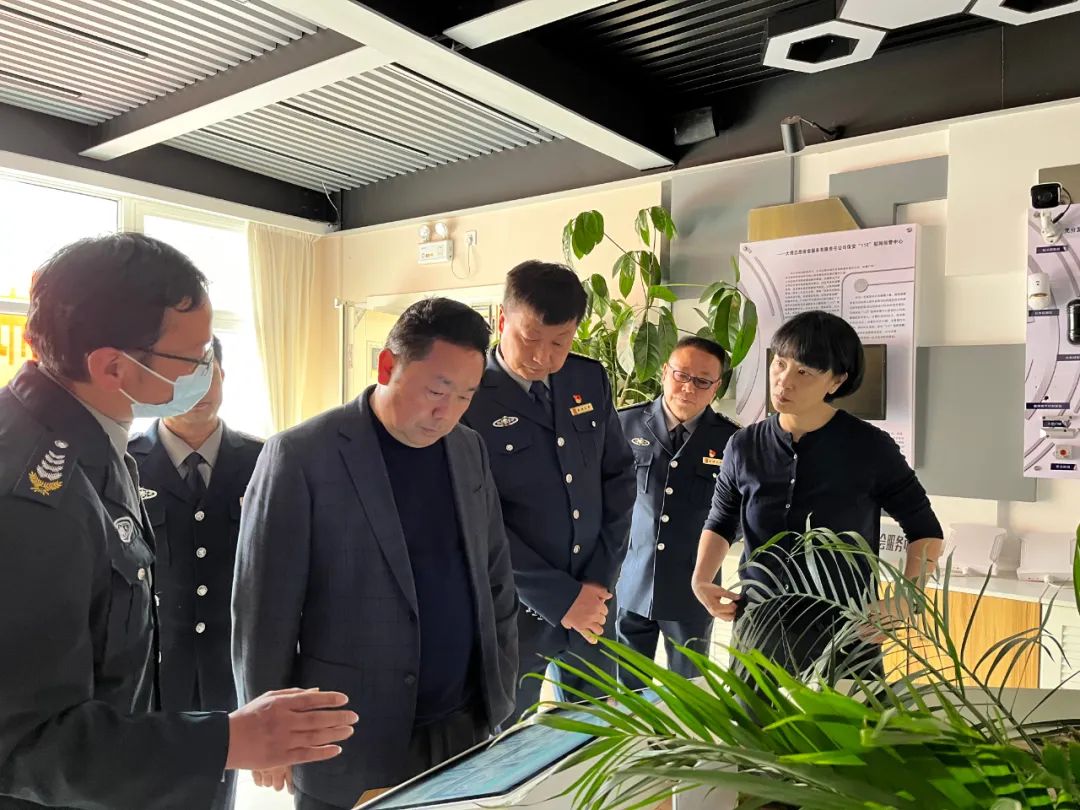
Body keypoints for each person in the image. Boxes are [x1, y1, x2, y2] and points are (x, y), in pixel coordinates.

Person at [0, 234, 355, 810]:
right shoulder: (32, 492)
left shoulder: (90, 439)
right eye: (193, 358)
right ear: (113, 366)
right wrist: (228, 740)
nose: (205, 373)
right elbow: (26, 744)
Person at [232, 297, 518, 810]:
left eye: (465, 396)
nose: (447, 412)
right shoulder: (301, 455)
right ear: (387, 366)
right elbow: (263, 611)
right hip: (348, 736)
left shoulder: (468, 448)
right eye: (436, 391)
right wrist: (267, 734)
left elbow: (494, 574)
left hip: (462, 727)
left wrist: (500, 687)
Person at [691, 310, 943, 677]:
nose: (784, 381)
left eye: (804, 372)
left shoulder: (871, 447)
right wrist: (702, 578)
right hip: (759, 631)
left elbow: (925, 530)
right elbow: (722, 519)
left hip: (846, 633)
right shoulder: (743, 445)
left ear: (836, 381)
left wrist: (906, 600)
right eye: (780, 364)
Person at [462, 260, 636, 718]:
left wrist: (599, 580)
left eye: (560, 342)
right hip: (513, 612)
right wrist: (560, 599)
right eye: (530, 338)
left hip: (594, 602)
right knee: (506, 739)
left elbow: (618, 477)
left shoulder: (587, 378)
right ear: (502, 320)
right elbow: (474, 518)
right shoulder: (469, 395)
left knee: (595, 731)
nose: (544, 357)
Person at [128, 335, 263, 810]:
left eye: (208, 374)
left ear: (223, 376)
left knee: (214, 796)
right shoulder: (124, 461)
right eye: (182, 377)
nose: (199, 389)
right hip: (150, 672)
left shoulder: (264, 460)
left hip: (230, 668)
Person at [616, 337, 739, 687]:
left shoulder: (732, 441)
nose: (688, 388)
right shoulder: (624, 425)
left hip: (693, 588)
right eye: (681, 375)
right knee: (627, 690)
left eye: (702, 381)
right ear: (664, 372)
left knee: (690, 690)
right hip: (631, 581)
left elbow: (740, 514)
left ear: (716, 387)